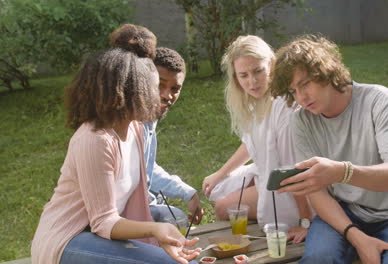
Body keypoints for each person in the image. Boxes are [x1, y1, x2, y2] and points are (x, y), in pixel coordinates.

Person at [31, 24, 200, 264]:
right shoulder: (95, 139)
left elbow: (133, 202)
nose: (161, 95)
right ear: (131, 90)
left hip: (101, 236)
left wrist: (157, 236)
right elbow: (104, 222)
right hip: (67, 240)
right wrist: (154, 230)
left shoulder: (136, 128)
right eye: (154, 86)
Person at [270, 35, 388, 263]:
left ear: (325, 72)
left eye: (305, 84)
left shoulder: (380, 102)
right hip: (341, 213)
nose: (301, 98)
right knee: (318, 259)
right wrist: (356, 237)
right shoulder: (302, 120)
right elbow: (317, 192)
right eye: (293, 91)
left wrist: (342, 172)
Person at [202, 35, 313, 243]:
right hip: (267, 172)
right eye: (243, 75)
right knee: (218, 189)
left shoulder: (284, 107)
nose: (252, 82)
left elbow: (295, 168)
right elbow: (251, 143)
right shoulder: (255, 102)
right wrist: (220, 173)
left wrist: (305, 220)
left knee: (223, 208)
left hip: (292, 189)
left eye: (258, 71)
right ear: (235, 77)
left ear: (271, 65)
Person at [143, 47, 204, 224]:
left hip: (141, 207)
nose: (167, 95)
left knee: (179, 220)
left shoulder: (149, 119)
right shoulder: (129, 125)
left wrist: (188, 193)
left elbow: (147, 169)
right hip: (116, 218)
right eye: (160, 85)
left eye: (175, 88)